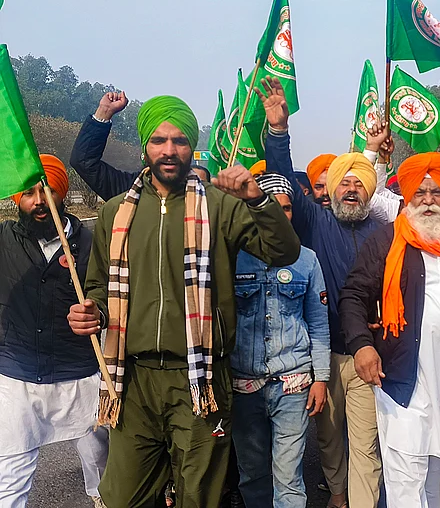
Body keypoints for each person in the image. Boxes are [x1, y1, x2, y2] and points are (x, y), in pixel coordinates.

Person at [66, 95, 300, 507]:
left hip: (201, 380)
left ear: (192, 146)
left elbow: (284, 252)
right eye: (158, 140)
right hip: (133, 382)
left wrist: (256, 198)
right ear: (145, 147)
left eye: (178, 141)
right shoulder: (115, 213)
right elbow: (100, 285)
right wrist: (93, 312)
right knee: (123, 497)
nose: (169, 150)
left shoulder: (221, 206)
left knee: (198, 497)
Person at [339, 153, 440, 508]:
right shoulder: (386, 241)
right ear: (407, 198)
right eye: (419, 194)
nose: (428, 201)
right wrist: (362, 345)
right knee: (405, 475)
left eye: (436, 193)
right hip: (405, 379)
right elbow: (352, 296)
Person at [261, 76, 384, 508]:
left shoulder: (385, 231)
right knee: (330, 436)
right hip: (326, 352)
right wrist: (278, 132)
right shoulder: (316, 222)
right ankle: (337, 493)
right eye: (344, 183)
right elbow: (283, 185)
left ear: (369, 191)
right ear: (332, 189)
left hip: (369, 351)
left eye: (360, 184)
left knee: (366, 442)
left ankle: (363, 501)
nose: (352, 189)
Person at [0, 155, 109, 508]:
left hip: (77, 373)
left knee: (102, 466)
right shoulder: (3, 239)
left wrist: (98, 315)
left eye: (46, 190)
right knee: (11, 477)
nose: (38, 201)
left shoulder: (91, 243)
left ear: (61, 192)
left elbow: (107, 298)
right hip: (16, 375)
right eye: (29, 193)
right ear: (18, 198)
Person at [231, 172, 331, 508]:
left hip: (293, 384)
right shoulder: (231, 257)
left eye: (286, 208)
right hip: (244, 385)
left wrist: (322, 379)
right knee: (253, 475)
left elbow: (318, 323)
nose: (279, 214)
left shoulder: (307, 259)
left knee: (289, 479)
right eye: (271, 206)